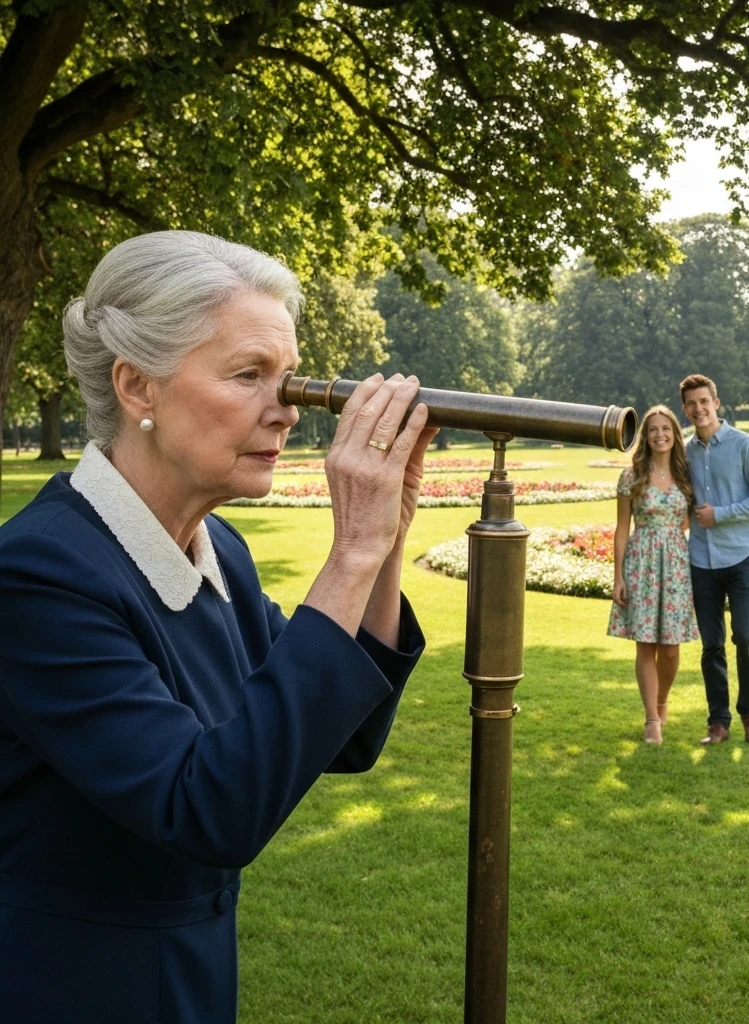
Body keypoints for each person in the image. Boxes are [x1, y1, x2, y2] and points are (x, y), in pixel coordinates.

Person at [0, 231, 437, 1023]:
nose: (288, 412)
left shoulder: (216, 549)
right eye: (250, 375)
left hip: (189, 977)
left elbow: (343, 737)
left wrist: (389, 538)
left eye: (290, 376)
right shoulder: (37, 575)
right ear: (138, 387)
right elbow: (207, 808)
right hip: (70, 986)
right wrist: (351, 552)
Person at [680, 373, 749, 746]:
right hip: (701, 560)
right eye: (691, 404)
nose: (698, 409)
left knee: (747, 635)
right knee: (711, 643)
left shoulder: (744, 445)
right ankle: (718, 721)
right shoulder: (683, 453)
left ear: (716, 403)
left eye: (704, 401)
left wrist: (720, 514)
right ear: (684, 410)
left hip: (741, 556)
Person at [608, 405, 700, 745]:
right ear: (645, 436)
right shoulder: (631, 476)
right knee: (645, 644)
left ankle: (663, 702)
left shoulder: (687, 475)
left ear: (676, 434)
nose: (660, 434)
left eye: (667, 428)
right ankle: (651, 719)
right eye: (653, 429)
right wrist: (618, 576)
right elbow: (621, 529)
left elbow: (689, 521)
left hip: (675, 564)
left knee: (672, 648)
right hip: (641, 563)